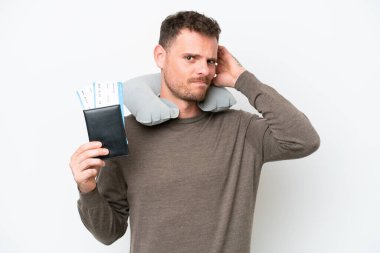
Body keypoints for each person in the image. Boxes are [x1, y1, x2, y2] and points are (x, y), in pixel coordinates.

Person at [70, 10, 320, 253]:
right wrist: (87, 189)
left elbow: (303, 140)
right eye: (190, 58)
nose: (204, 70)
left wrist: (242, 78)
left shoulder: (242, 131)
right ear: (160, 56)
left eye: (210, 61)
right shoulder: (126, 134)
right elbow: (108, 233)